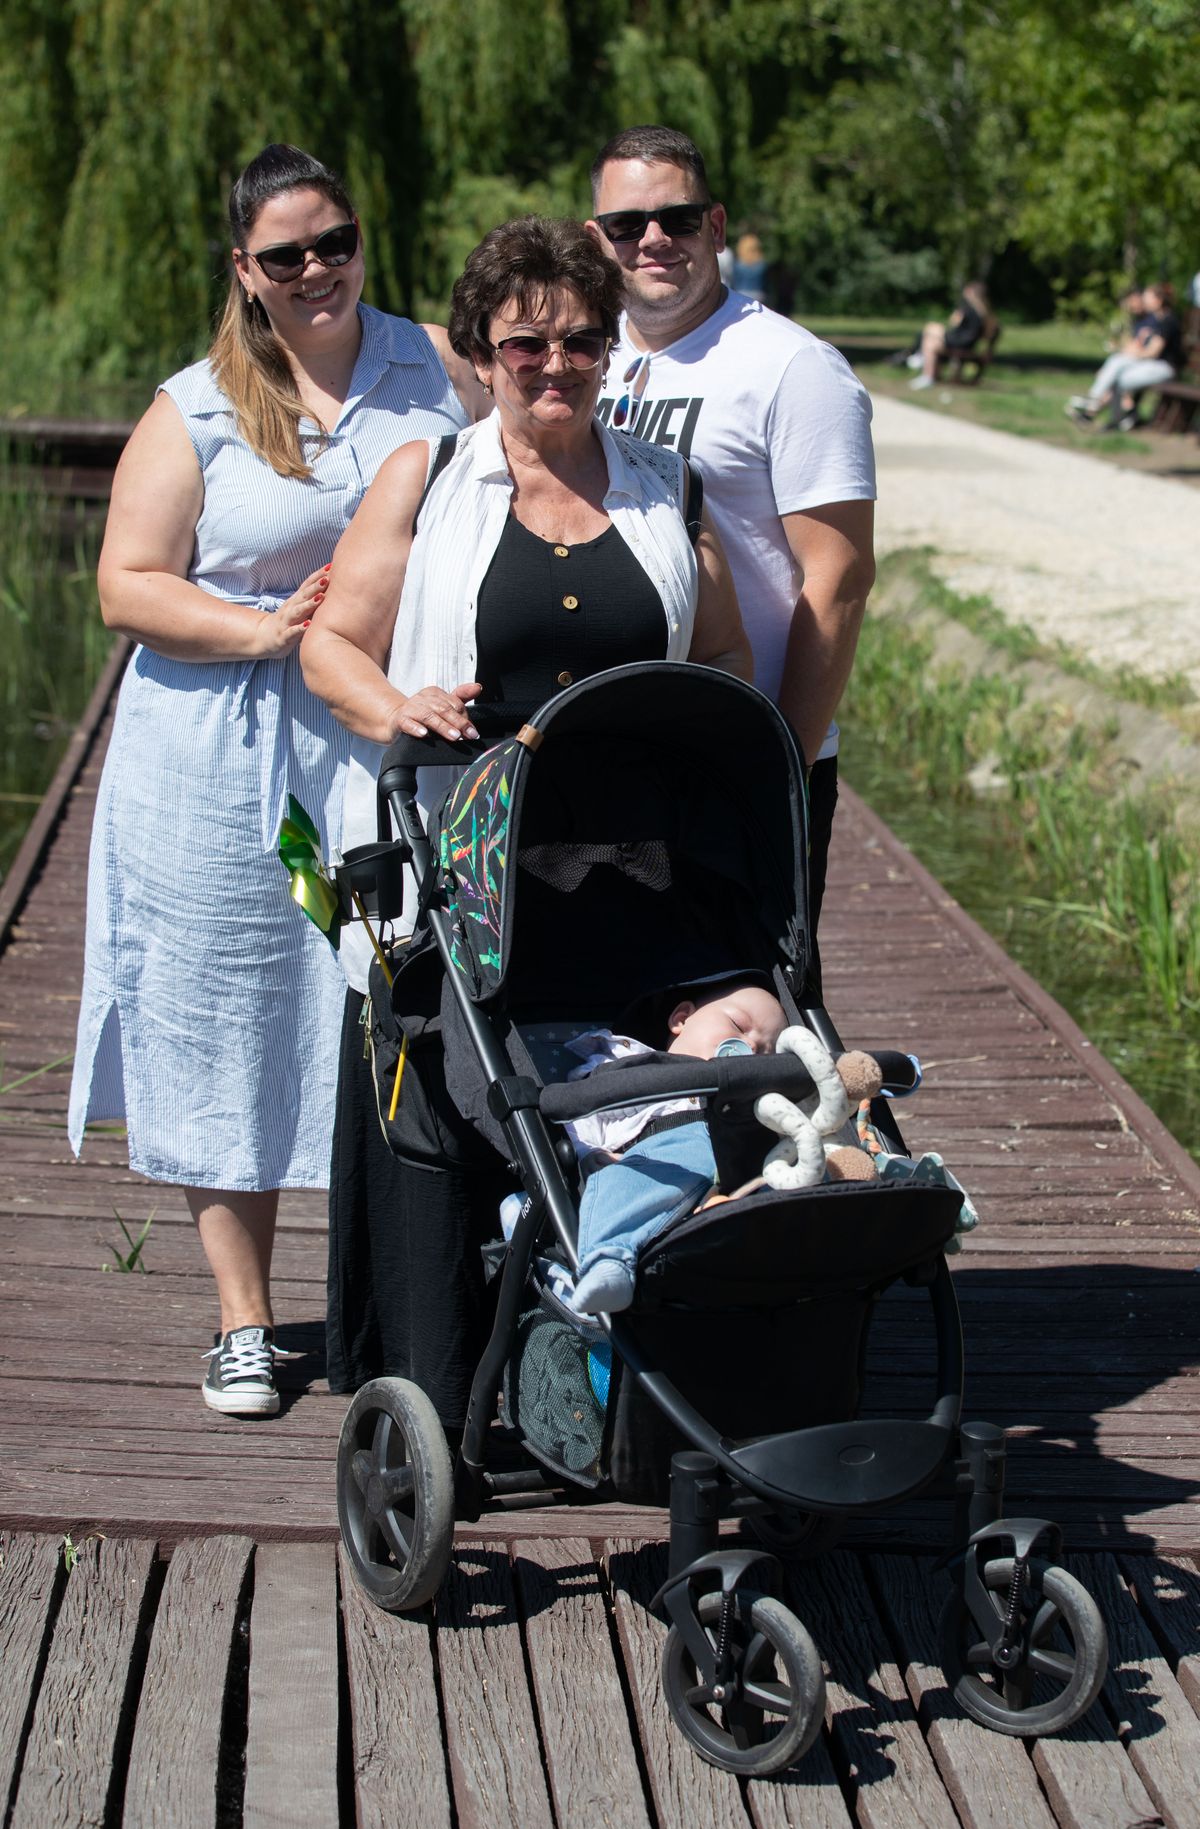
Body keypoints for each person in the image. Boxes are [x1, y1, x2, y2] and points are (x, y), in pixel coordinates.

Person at [301, 215, 750, 1429]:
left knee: (700, 1060)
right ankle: (452, 1384)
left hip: (634, 875)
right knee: (465, 1096)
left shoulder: (666, 487)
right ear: (480, 349)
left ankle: (651, 1357)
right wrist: (402, 702)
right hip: (471, 868)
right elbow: (332, 647)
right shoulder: (430, 478)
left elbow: (718, 659)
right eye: (526, 345)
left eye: (585, 343)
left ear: (614, 351)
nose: (557, 367)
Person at [67, 143, 484, 1418]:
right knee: (224, 1005)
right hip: (220, 753)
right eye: (287, 255)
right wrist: (261, 631)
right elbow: (124, 585)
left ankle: (412, 1297)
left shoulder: (438, 369)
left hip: (389, 733)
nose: (319, 271)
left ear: (363, 239)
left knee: (404, 1001)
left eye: (336, 242)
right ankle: (245, 1319)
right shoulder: (198, 402)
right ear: (245, 272)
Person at [587, 125, 876, 994]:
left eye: (675, 217)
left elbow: (840, 578)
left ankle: (844, 1130)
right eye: (625, 225)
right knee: (625, 998)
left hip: (738, 748)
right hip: (612, 745)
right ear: (595, 240)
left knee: (759, 996)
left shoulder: (792, 368)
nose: (652, 240)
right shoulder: (585, 359)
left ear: (715, 225)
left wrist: (777, 755)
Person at [561, 978, 788, 1314]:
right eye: (739, 1025)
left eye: (766, 1052)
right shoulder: (629, 1064)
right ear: (682, 1018)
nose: (751, 1049)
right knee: (618, 1182)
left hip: (738, 1178)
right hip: (656, 1168)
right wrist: (590, 1154)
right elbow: (584, 1113)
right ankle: (608, 1261)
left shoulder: (753, 1100)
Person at [1066, 283, 1183, 431]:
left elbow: (1153, 352)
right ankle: (1113, 413)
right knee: (1116, 366)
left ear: (1159, 300)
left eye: (1148, 297)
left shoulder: (1168, 321)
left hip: (1164, 368)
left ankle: (1106, 409)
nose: (1144, 300)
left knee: (1119, 376)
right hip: (1151, 365)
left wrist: (1129, 354)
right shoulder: (1155, 320)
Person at [909, 281, 995, 390]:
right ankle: (920, 357)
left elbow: (954, 323)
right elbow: (989, 334)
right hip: (969, 344)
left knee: (930, 339)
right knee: (932, 332)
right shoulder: (986, 313)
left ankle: (926, 372)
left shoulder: (966, 308)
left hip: (958, 342)